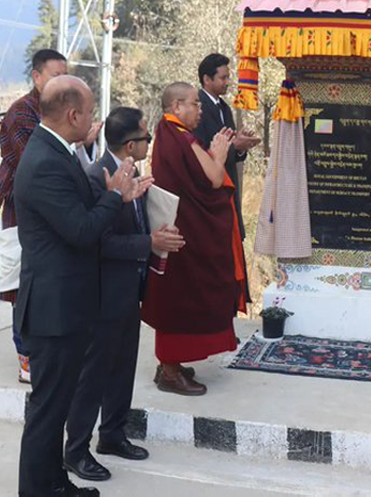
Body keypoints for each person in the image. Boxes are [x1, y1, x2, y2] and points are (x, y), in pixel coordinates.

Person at [15, 75, 149, 497]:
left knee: (55, 411)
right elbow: (79, 230)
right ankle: (37, 490)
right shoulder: (45, 161)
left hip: (68, 304)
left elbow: (77, 215)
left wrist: (115, 196)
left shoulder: (61, 151)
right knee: (47, 411)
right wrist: (114, 198)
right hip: (53, 309)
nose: (93, 120)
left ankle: (55, 482)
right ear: (72, 115)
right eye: (90, 112)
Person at [63, 108, 185, 482]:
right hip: (101, 292)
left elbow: (129, 221)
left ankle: (112, 435)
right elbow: (98, 241)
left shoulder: (130, 174)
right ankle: (75, 451)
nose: (150, 142)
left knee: (122, 369)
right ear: (131, 144)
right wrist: (150, 241)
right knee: (93, 375)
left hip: (128, 289)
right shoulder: (96, 178)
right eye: (146, 137)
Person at [141, 82, 247, 396]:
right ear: (176, 106)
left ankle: (170, 365)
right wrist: (219, 152)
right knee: (182, 296)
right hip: (185, 233)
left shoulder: (169, 134)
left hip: (183, 226)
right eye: (195, 104)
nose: (200, 110)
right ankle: (170, 371)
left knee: (180, 294)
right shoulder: (180, 138)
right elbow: (214, 178)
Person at [0, 49, 97, 384]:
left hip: (54, 206)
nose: (60, 81)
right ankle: (26, 356)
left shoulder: (56, 119)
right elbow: (36, 163)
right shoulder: (21, 114)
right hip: (24, 209)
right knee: (24, 286)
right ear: (37, 77)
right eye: (54, 76)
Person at [194, 53, 261, 240]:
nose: (227, 82)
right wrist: (234, 146)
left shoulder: (224, 107)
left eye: (228, 78)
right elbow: (201, 150)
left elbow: (229, 145)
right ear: (207, 79)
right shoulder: (198, 108)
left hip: (229, 183)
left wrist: (240, 146)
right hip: (211, 189)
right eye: (222, 78)